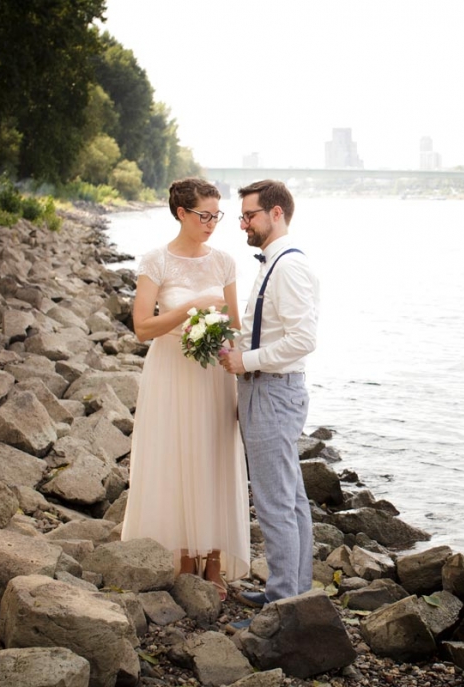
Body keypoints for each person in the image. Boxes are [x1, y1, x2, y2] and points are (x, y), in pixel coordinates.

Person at [121, 177, 250, 600]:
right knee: (175, 455)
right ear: (181, 213)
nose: (212, 223)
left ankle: (212, 560)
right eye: (204, 215)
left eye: (216, 216)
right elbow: (142, 327)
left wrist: (237, 365)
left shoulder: (224, 262)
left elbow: (234, 325)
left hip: (213, 373)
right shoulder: (155, 261)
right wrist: (190, 310)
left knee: (213, 456)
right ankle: (182, 556)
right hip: (171, 371)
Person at [219, 179, 319, 608]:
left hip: (273, 393)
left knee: (276, 503)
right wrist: (235, 348)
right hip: (268, 390)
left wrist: (246, 361)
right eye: (241, 216)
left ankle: (282, 604)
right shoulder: (272, 262)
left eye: (250, 215)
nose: (243, 224)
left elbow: (303, 340)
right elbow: (271, 328)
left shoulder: (289, 266)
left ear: (276, 213)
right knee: (289, 499)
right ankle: (295, 594)